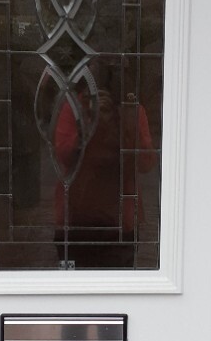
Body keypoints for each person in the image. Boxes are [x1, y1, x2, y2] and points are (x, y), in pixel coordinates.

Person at [53, 61, 156, 269]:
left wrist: (125, 123)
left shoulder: (133, 110)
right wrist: (89, 122)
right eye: (98, 74)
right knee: (72, 290)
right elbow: (62, 155)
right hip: (76, 215)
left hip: (120, 217)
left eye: (113, 74)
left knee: (118, 289)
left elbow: (146, 163)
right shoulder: (74, 107)